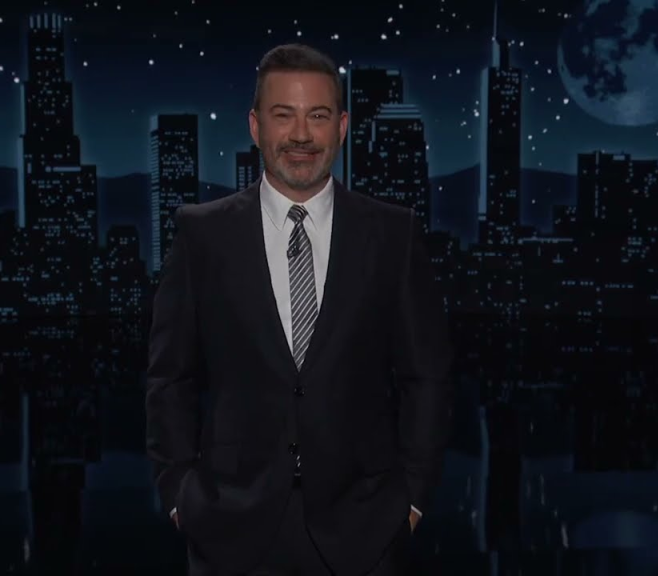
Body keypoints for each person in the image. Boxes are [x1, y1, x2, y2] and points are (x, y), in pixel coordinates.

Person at [146, 43, 453, 575]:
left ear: (342, 127)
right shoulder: (202, 234)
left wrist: (412, 499)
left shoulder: (393, 233)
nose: (301, 135)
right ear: (255, 125)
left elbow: (426, 376)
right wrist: (179, 494)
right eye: (283, 115)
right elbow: (170, 377)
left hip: (364, 527)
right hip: (230, 527)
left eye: (318, 115)